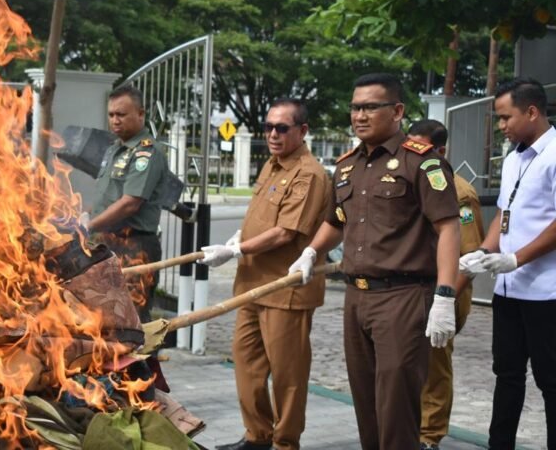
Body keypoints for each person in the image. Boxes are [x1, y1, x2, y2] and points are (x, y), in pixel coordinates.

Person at [288, 73, 461, 450]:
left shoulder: (422, 162)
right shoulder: (348, 165)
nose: (360, 115)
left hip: (402, 297)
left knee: (396, 407)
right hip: (356, 298)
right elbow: (336, 221)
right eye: (355, 107)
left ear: (397, 111)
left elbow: (449, 228)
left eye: (370, 107)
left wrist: (445, 295)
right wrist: (311, 251)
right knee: (366, 405)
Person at [198, 98, 331, 450]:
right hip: (253, 286)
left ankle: (285, 443)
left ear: (302, 131)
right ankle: (257, 436)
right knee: (247, 365)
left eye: (282, 128)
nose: (273, 134)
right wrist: (238, 239)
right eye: (268, 127)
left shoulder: (310, 174)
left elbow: (286, 232)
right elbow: (261, 220)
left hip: (285, 290)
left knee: (287, 375)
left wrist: (236, 250)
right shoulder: (272, 166)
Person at [459, 78, 556, 450]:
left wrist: (517, 258)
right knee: (507, 375)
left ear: (531, 112)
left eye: (505, 117)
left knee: (550, 381)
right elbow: (505, 211)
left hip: (545, 292)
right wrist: (485, 250)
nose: (501, 126)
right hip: (508, 290)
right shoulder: (515, 157)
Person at [407, 119, 485, 450]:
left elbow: (469, 257)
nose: (413, 156)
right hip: (411, 291)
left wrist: (444, 299)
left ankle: (429, 436)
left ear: (440, 152)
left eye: (421, 150)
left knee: (434, 366)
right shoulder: (408, 183)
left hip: (446, 291)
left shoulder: (459, 192)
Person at [86, 85, 168, 322]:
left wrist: (88, 226)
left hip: (133, 248)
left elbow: (130, 203)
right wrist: (81, 215)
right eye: (111, 115)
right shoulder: (115, 150)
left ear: (140, 114)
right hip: (106, 245)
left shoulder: (146, 153)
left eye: (121, 114)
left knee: (131, 321)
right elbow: (107, 200)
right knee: (103, 318)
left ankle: (141, 361)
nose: (115, 120)